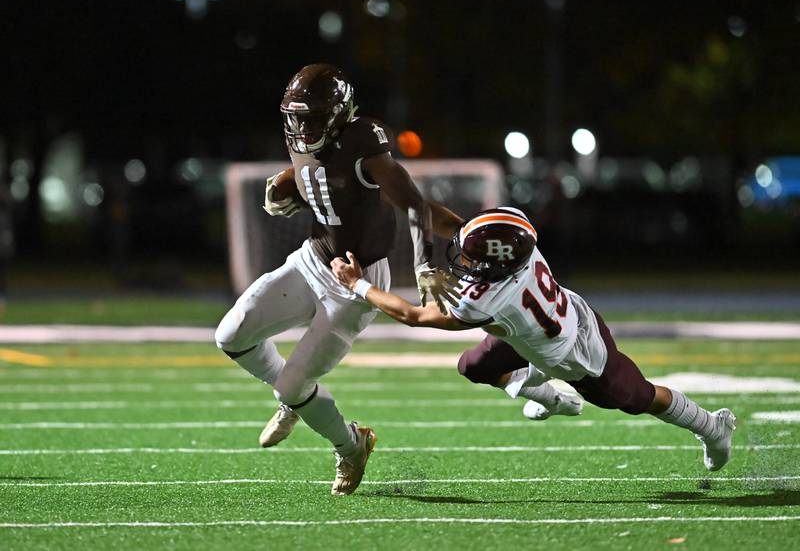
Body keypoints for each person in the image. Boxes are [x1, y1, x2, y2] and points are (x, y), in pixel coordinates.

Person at [331, 206, 737, 472]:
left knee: (637, 398)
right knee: (472, 366)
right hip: (544, 324)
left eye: (473, 260)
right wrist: (404, 204)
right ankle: (548, 396)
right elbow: (460, 227)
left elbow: (414, 314)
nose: (464, 262)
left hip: (575, 355)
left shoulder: (486, 298)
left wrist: (358, 285)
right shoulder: (516, 239)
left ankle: (711, 426)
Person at [214, 64, 461, 496]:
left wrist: (425, 265)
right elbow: (317, 173)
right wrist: (289, 183)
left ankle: (352, 445)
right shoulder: (304, 137)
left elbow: (414, 205)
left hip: (355, 280)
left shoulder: (364, 143)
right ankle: (293, 400)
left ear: (337, 113)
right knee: (232, 335)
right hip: (312, 259)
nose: (300, 126)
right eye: (295, 116)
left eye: (309, 117)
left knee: (294, 384)